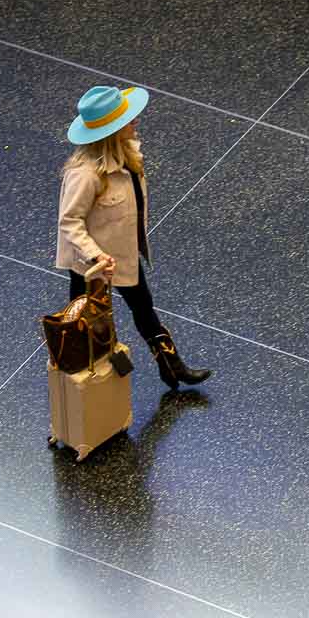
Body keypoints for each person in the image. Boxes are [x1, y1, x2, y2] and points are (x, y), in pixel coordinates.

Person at [56, 85, 211, 390]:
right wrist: (96, 256)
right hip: (93, 264)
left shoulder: (127, 154)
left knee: (142, 306)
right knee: (92, 322)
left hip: (122, 254)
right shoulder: (86, 174)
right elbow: (69, 221)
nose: (135, 121)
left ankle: (171, 365)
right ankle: (100, 382)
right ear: (111, 132)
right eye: (127, 119)